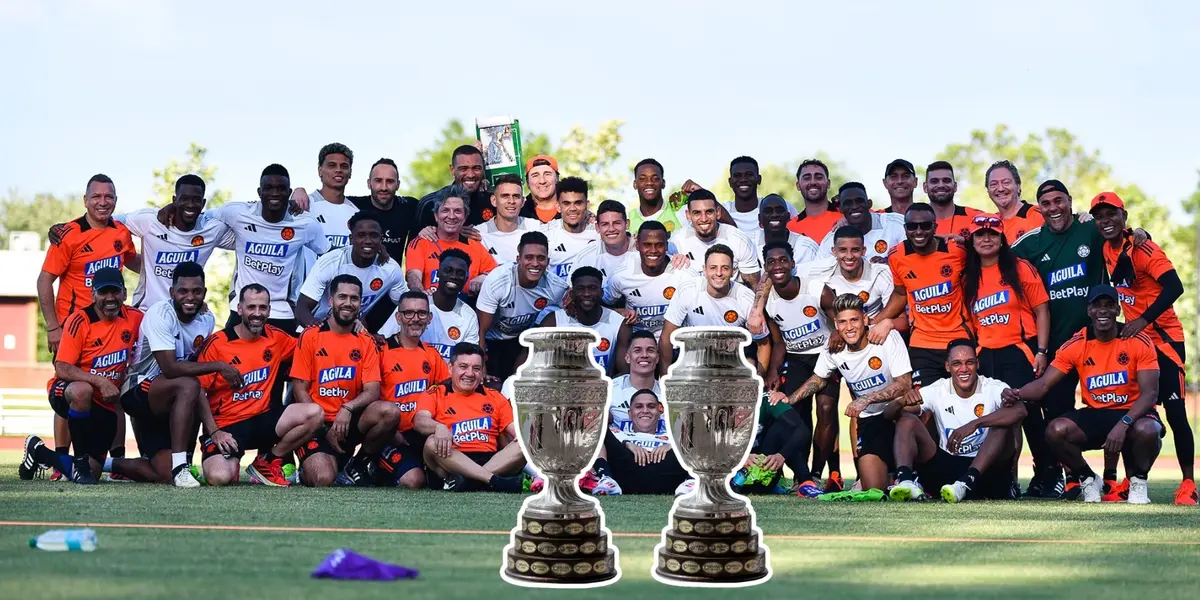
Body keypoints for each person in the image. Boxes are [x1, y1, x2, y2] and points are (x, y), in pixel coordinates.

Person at [1009, 179, 1128, 497]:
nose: (1053, 208)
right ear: (1039, 208)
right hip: (1059, 347)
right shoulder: (1030, 244)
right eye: (1046, 203)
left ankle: (1116, 477)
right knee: (1057, 412)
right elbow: (995, 259)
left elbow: (1123, 235)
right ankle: (1074, 476)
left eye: (1059, 201)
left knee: (1113, 403)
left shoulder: (1088, 229)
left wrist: (1139, 235)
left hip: (1099, 339)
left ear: (1070, 201)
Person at [1002, 285, 1164, 504]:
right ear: (1089, 310)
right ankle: (1088, 479)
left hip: (1132, 414)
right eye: (1097, 305)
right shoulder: (1077, 343)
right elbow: (1042, 386)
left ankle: (1138, 482)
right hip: (1096, 413)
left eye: (1109, 306)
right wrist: (1017, 393)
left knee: (1148, 430)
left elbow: (1150, 394)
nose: (1103, 311)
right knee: (1056, 430)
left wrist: (1124, 423)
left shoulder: (1137, 340)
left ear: (1118, 310)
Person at [1091, 192, 1194, 504]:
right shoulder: (1108, 248)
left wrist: (1145, 320)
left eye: (1111, 214)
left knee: (1176, 414)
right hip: (1137, 344)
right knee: (1131, 413)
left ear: (1124, 215)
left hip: (1164, 341)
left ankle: (1188, 484)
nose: (1105, 220)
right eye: (1099, 216)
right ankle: (1129, 480)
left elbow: (1176, 285)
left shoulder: (1144, 248)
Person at [37, 174, 139, 474]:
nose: (102, 202)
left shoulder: (121, 232)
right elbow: (44, 281)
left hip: (110, 322)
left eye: (109, 197)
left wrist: (165, 270)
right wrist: (53, 327)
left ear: (116, 200)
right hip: (73, 325)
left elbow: (133, 261)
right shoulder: (68, 234)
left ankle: (116, 461)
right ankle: (60, 459)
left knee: (115, 387)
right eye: (96, 196)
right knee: (74, 390)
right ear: (85, 200)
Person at [770, 293, 913, 492]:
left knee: (911, 412)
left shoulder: (887, 338)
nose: (849, 327)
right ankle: (886, 477)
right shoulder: (833, 351)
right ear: (836, 324)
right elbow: (818, 379)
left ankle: (911, 476)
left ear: (864, 319)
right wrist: (789, 399)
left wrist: (866, 399)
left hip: (898, 416)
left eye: (854, 320)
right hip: (871, 422)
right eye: (843, 322)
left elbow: (905, 384)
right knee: (874, 489)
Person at [193, 284, 324, 487]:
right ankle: (230, 462)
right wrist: (214, 431)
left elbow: (313, 344)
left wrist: (354, 327)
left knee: (315, 413)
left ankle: (268, 460)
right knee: (219, 477)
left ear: (269, 310)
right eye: (251, 307)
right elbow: (197, 392)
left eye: (262, 308)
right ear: (239, 309)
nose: (257, 313)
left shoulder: (276, 338)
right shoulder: (218, 343)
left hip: (264, 419)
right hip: (228, 424)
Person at [52, 174, 233, 311]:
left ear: (203, 203)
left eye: (196, 200)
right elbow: (103, 219)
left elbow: (246, 237)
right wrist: (67, 227)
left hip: (187, 313)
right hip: (146, 313)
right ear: (174, 200)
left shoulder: (212, 230)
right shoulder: (150, 220)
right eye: (184, 199)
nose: (190, 205)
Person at [961, 213, 1050, 481]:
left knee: (1030, 415)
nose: (986, 239)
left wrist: (1042, 351)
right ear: (973, 240)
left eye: (992, 234)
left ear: (1002, 239)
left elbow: (1042, 310)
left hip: (1019, 351)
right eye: (980, 234)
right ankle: (1005, 479)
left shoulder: (1019, 267)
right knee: (997, 418)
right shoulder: (969, 277)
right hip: (986, 355)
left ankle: (1048, 474)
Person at [119, 262, 222, 488]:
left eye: (196, 291)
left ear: (204, 293)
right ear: (172, 292)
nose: (190, 297)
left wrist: (214, 429)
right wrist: (220, 366)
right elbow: (171, 368)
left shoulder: (207, 319)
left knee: (162, 473)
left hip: (168, 398)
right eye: (183, 291)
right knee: (189, 385)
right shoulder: (160, 314)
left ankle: (106, 465)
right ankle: (181, 467)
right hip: (138, 390)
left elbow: (192, 369)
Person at [36, 268, 143, 484]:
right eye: (104, 292)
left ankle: (39, 452)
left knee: (93, 475)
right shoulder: (79, 320)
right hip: (68, 391)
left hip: (104, 402)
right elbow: (62, 368)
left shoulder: (135, 318)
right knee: (81, 390)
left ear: (124, 293)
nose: (110, 298)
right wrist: (100, 381)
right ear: (93, 295)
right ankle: (79, 461)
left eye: (115, 291)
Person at [290, 274, 398, 487]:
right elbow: (299, 390)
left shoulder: (365, 340)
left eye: (354, 298)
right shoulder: (311, 336)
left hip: (347, 421)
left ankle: (356, 464)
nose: (348, 303)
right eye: (342, 297)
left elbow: (372, 390)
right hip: (316, 424)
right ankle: (307, 467)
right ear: (331, 301)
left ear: (360, 303)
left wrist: (347, 408)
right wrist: (321, 426)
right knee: (323, 478)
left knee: (390, 412)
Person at [885, 340, 1026, 503]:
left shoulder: (993, 387)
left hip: (986, 471)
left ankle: (966, 484)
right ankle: (905, 482)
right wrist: (900, 402)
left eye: (969, 363)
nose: (964, 369)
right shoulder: (938, 389)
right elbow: (889, 415)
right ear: (947, 367)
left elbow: (1020, 411)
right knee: (906, 419)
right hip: (948, 470)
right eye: (957, 363)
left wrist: (974, 424)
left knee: (1002, 423)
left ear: (977, 364)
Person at [209, 164, 330, 334]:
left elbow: (328, 256)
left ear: (289, 193)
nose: (274, 193)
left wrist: (311, 299)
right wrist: (170, 211)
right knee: (233, 358)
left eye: (281, 188)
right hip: (243, 310)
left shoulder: (305, 224)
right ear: (259, 192)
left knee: (285, 361)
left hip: (283, 312)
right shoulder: (237, 213)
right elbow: (198, 219)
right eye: (269, 188)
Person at [760, 241, 839, 497]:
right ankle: (800, 476)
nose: (778, 266)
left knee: (826, 408)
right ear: (766, 268)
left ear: (793, 264)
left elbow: (840, 317)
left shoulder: (816, 289)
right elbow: (779, 343)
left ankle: (817, 474)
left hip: (825, 356)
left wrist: (837, 331)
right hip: (795, 359)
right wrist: (773, 371)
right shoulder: (769, 303)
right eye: (771, 262)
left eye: (783, 260)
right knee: (794, 412)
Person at [872, 203, 971, 389]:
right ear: (905, 229)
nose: (919, 231)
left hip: (958, 337)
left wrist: (967, 242)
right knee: (922, 405)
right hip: (922, 342)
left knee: (964, 399)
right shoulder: (897, 256)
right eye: (912, 226)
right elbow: (901, 294)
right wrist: (876, 320)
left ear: (935, 227)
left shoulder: (956, 251)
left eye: (925, 226)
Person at [412, 343, 526, 492]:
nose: (470, 374)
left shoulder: (494, 396)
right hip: (450, 459)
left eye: (476, 368)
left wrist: (523, 437)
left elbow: (516, 430)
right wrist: (439, 427)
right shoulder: (434, 393)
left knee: (526, 443)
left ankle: (468, 482)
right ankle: (492, 481)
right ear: (450, 367)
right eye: (463, 367)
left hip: (490, 460)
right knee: (431, 443)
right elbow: (419, 421)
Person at [376, 291, 451, 489]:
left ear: (429, 318)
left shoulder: (432, 355)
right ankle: (376, 468)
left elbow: (447, 397)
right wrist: (389, 432)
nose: (415, 319)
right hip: (391, 435)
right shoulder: (381, 350)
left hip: (422, 434)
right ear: (398, 317)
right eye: (408, 313)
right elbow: (368, 400)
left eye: (421, 313)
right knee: (414, 481)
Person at [476, 231, 570, 380]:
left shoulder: (556, 287)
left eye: (541, 258)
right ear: (518, 259)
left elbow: (573, 313)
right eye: (529, 257)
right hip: (492, 341)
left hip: (522, 340)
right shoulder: (498, 282)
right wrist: (480, 368)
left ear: (548, 261)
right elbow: (480, 330)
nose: (535, 263)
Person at [659, 245, 765, 375]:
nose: (719, 273)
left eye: (725, 268)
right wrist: (665, 377)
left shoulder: (746, 298)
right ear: (704, 270)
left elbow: (764, 344)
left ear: (733, 271)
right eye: (713, 268)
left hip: (731, 364)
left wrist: (758, 380)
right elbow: (667, 336)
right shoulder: (688, 290)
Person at [296, 211, 407, 331]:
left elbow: (408, 305)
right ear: (351, 239)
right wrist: (319, 331)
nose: (368, 241)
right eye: (361, 235)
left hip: (352, 333)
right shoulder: (331, 262)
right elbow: (302, 308)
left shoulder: (390, 269)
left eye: (374, 235)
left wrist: (386, 334)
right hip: (317, 329)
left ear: (381, 239)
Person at [527, 267, 631, 375]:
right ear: (571, 294)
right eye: (580, 288)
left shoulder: (618, 324)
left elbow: (624, 371)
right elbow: (531, 362)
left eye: (592, 288)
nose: (586, 293)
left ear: (601, 293)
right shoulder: (554, 322)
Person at [603, 221, 690, 341]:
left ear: (666, 246)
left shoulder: (684, 273)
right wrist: (617, 311)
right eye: (647, 245)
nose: (653, 250)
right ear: (637, 245)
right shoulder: (621, 276)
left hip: (676, 342)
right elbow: (601, 303)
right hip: (637, 344)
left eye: (659, 245)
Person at [404, 186, 497, 296]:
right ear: (436, 216)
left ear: (465, 216)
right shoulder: (421, 243)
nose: (451, 216)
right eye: (445, 210)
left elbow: (496, 274)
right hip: (431, 306)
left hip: (466, 308)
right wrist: (420, 293)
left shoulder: (475, 246)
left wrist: (483, 278)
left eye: (457, 211)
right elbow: (413, 276)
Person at [601, 389, 690, 494]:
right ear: (630, 413)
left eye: (651, 406)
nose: (645, 410)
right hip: (627, 472)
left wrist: (674, 446)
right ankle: (605, 478)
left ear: (659, 412)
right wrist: (627, 444)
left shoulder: (673, 437)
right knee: (599, 430)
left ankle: (691, 481)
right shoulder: (618, 434)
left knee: (694, 438)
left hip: (668, 474)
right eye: (639, 406)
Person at [671, 189, 761, 287]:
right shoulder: (676, 241)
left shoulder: (739, 240)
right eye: (697, 213)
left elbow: (755, 287)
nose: (704, 219)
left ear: (718, 213)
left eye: (709, 212)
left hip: (730, 298)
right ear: (688, 215)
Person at [347, 158, 420, 261]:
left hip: (392, 274)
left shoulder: (410, 207)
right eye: (378, 181)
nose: (384, 187)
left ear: (398, 185)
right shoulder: (352, 205)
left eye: (390, 181)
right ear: (369, 183)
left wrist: (428, 228)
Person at [817, 182, 906, 265]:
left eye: (859, 201)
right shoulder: (832, 239)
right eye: (848, 203)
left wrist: (889, 262)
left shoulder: (896, 223)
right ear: (840, 209)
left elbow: (914, 255)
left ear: (869, 204)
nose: (854, 206)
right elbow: (819, 272)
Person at [416, 144, 494, 228]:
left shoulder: (494, 202)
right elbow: (416, 239)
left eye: (476, 168)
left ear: (483, 169)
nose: (471, 175)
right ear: (452, 170)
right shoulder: (430, 204)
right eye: (463, 169)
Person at [722, 156, 797, 235]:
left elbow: (799, 230)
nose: (743, 180)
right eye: (737, 176)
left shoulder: (780, 206)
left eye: (749, 174)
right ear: (730, 182)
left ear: (759, 179)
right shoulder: (723, 211)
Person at [542, 176, 600, 277]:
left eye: (578, 203)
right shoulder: (546, 234)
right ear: (558, 207)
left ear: (587, 205)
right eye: (566, 203)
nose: (572, 208)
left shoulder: (599, 233)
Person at [478, 174, 538, 265]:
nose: (511, 201)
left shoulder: (536, 228)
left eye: (516, 196)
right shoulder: (479, 234)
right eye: (505, 196)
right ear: (494, 200)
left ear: (522, 202)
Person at [569, 200, 637, 279]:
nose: (611, 229)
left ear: (627, 224)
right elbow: (572, 290)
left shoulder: (643, 248)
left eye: (616, 223)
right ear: (597, 228)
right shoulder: (585, 257)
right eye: (605, 224)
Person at [984, 161, 1043, 244]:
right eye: (994, 184)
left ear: (1018, 186)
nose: (1000, 189)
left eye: (1006, 182)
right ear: (988, 191)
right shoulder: (989, 224)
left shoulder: (1040, 215)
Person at [923, 161, 984, 240]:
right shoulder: (914, 221)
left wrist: (966, 243)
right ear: (925, 187)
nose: (941, 185)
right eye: (934, 181)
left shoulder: (977, 217)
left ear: (955, 186)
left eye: (946, 180)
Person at [788, 159, 842, 242]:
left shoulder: (846, 216)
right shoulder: (790, 229)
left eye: (819, 177)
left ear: (828, 183)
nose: (813, 182)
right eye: (807, 178)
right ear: (798, 185)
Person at [756, 194, 818, 265]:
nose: (774, 215)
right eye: (768, 211)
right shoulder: (751, 246)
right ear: (760, 218)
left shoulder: (807, 247)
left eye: (779, 211)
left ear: (788, 217)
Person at [520, 155, 561, 223]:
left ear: (557, 179)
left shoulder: (572, 208)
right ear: (527, 183)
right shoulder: (518, 212)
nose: (542, 181)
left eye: (547, 174)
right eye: (535, 175)